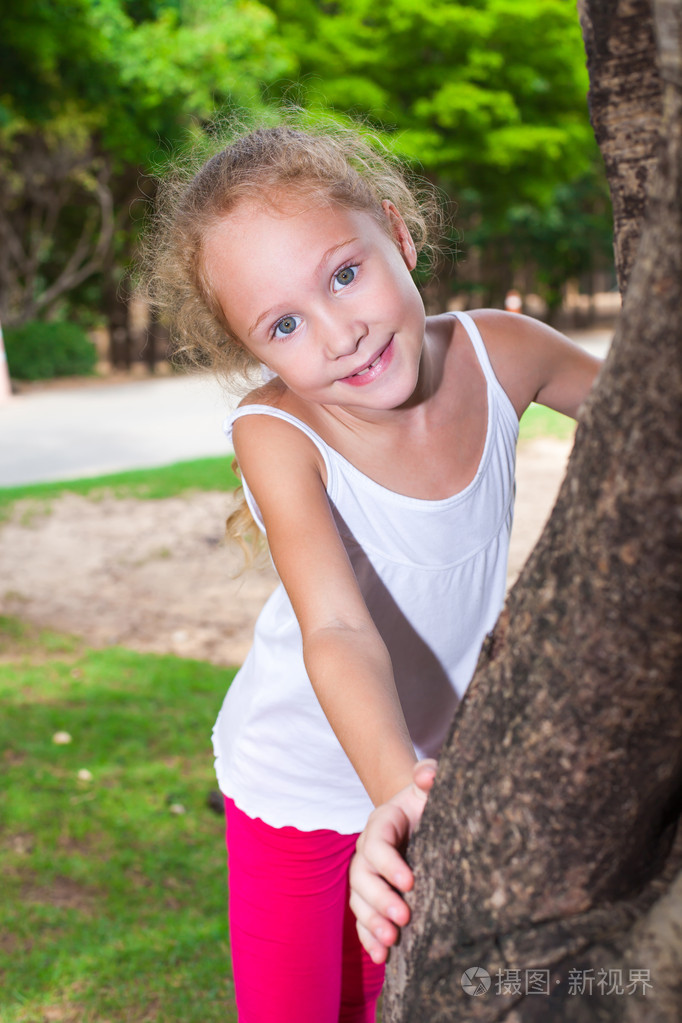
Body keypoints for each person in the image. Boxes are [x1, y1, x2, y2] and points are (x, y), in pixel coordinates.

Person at [146, 118, 601, 1022]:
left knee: (413, 995)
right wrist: (393, 784)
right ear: (258, 354)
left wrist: (411, 785)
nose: (340, 334)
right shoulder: (277, 433)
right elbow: (338, 626)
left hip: (434, 771)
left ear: (399, 234)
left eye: (344, 274)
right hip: (300, 788)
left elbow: (651, 417)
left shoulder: (503, 352)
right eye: (284, 324)